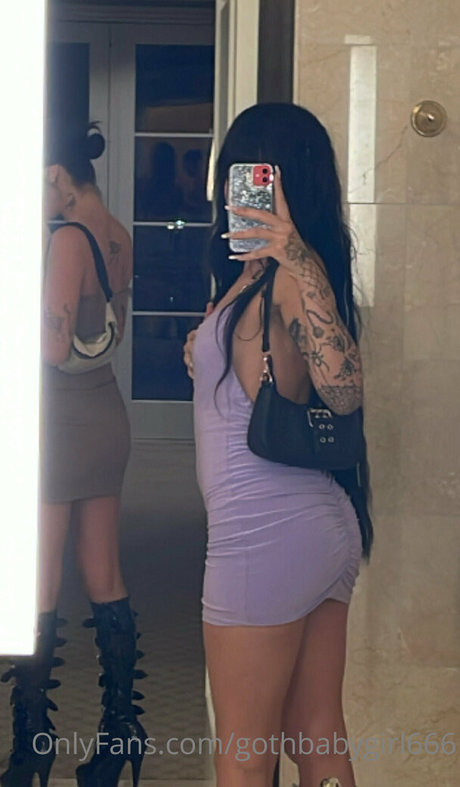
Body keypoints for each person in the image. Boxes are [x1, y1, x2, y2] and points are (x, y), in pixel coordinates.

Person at [183, 103, 373, 787]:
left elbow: (344, 390)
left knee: (243, 757)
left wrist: (293, 253)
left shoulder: (291, 273)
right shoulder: (259, 274)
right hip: (313, 528)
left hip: (259, 538)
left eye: (247, 172)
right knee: (317, 735)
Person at [1, 123, 147, 787]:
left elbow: (53, 347)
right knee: (104, 573)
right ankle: (121, 736)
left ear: (56, 176)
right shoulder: (117, 234)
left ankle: (32, 744)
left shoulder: (66, 240)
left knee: (38, 581)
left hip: (57, 422)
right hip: (104, 413)